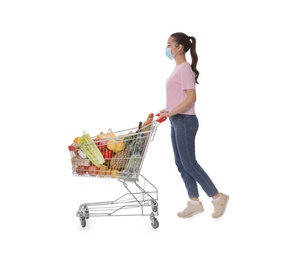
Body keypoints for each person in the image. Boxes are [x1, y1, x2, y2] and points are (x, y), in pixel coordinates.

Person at [159, 32, 229, 218]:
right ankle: (194, 202)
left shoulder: (184, 69)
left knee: (190, 164)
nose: (167, 48)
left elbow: (192, 98)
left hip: (185, 121)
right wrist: (167, 110)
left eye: (169, 44)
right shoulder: (178, 68)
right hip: (176, 120)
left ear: (179, 47)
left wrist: (172, 112)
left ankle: (217, 198)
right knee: (181, 164)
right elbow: (179, 97)